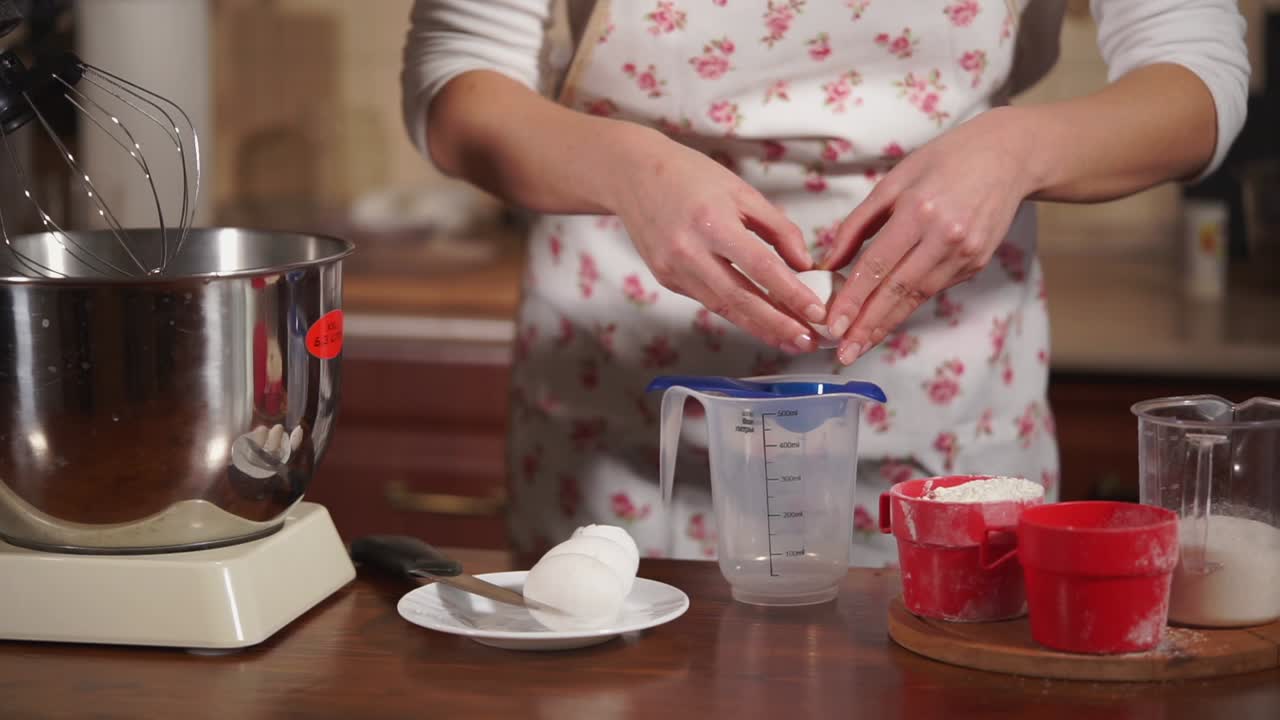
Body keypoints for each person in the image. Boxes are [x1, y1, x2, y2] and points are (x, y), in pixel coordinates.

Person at [400, 1, 1248, 563]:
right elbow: (455, 84)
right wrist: (627, 172)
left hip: (945, 410)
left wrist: (1015, 150)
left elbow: (1196, 78)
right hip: (622, 402)